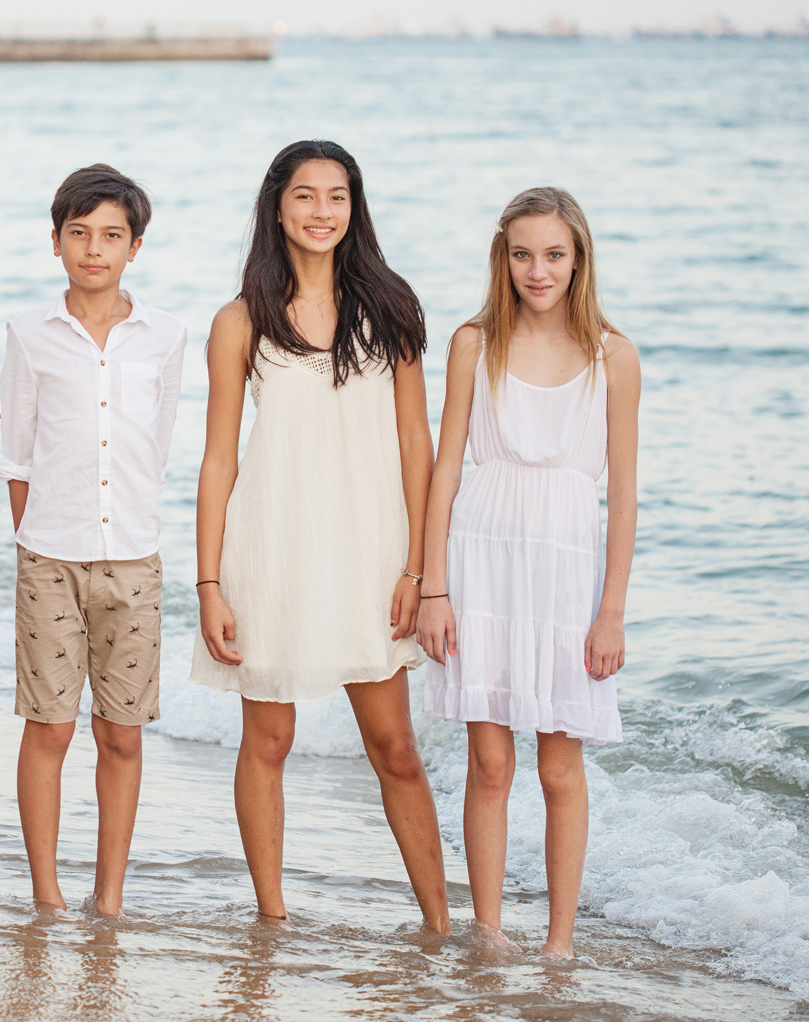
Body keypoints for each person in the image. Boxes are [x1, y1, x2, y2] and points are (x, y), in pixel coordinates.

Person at [190, 139, 450, 931]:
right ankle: (272, 919)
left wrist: (417, 567)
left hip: (372, 554)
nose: (322, 212)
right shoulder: (241, 321)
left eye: (337, 196)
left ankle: (444, 926)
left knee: (396, 748)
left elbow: (417, 442)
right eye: (306, 196)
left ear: (354, 207)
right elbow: (218, 458)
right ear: (279, 206)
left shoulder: (392, 305)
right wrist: (208, 584)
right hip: (271, 550)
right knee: (268, 740)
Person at [417, 186, 638, 958]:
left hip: (567, 574)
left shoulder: (614, 357)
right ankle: (487, 933)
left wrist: (611, 613)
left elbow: (624, 495)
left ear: (578, 259)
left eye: (553, 254)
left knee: (559, 766)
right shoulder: (474, 343)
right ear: (501, 258)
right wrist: (431, 587)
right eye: (522, 254)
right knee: (489, 759)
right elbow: (445, 472)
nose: (537, 270)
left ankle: (560, 943)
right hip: (482, 560)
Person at [1, 163, 187, 917]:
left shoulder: (167, 336)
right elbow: (17, 457)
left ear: (134, 246)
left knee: (122, 736)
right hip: (49, 555)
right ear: (56, 242)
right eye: (79, 234)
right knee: (48, 731)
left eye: (111, 235)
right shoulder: (28, 333)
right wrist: (37, 536)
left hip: (134, 560)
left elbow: (160, 443)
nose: (94, 249)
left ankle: (108, 896)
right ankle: (47, 894)